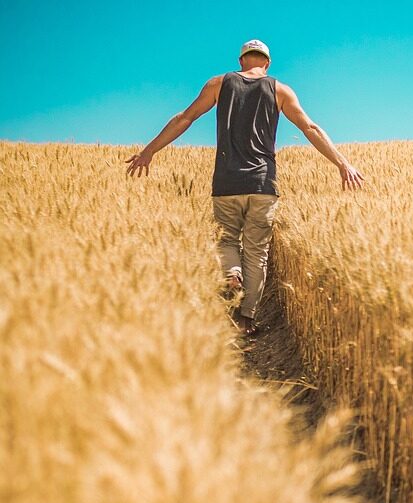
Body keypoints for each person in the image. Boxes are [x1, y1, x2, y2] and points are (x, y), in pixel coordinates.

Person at [125, 39, 364, 334]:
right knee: (257, 252)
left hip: (226, 181)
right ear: (267, 63)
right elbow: (310, 128)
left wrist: (149, 150)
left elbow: (185, 118)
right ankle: (246, 318)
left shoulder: (218, 83)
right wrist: (343, 164)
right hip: (263, 184)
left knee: (226, 241)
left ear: (241, 61)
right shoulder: (280, 90)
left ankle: (231, 272)